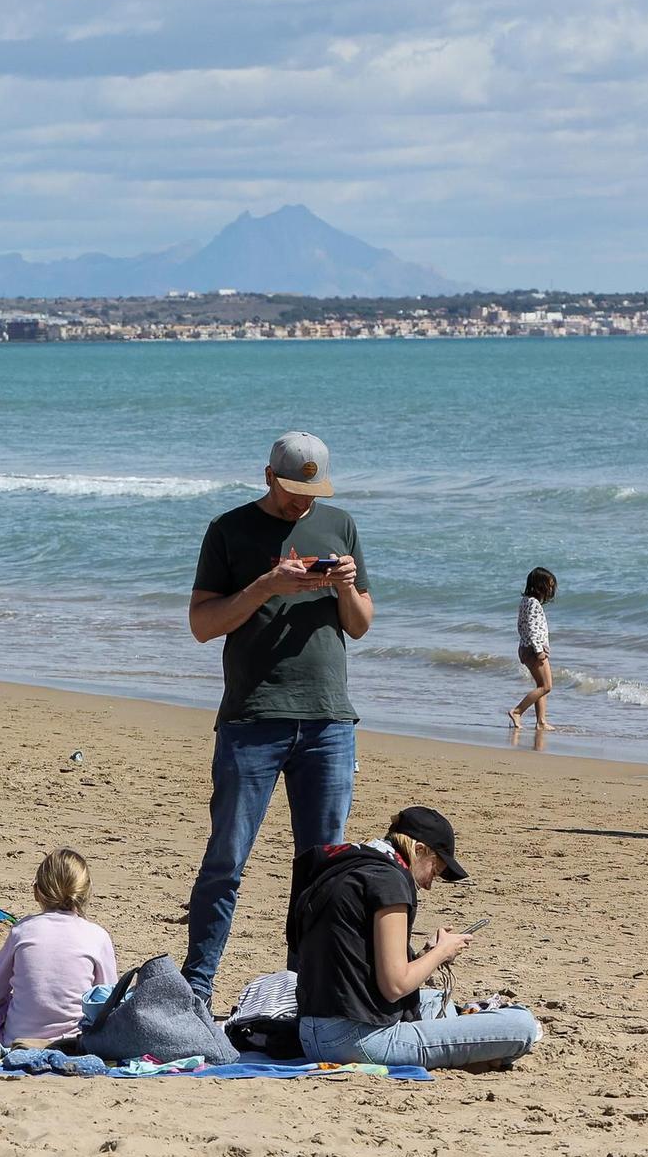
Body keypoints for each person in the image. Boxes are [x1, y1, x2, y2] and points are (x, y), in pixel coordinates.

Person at [183, 431, 373, 1002]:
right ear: (268, 476)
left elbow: (361, 623)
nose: (302, 503)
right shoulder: (228, 530)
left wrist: (343, 586)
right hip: (252, 719)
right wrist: (267, 584)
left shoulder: (339, 525)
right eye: (293, 490)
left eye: (311, 491)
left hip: (329, 722)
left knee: (321, 871)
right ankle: (197, 989)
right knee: (227, 861)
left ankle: (302, 989)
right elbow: (202, 624)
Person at [292, 806, 540, 1070]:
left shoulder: (349, 866)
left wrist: (423, 956)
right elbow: (395, 986)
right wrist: (442, 952)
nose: (431, 883)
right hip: (356, 1040)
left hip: (310, 1031)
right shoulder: (389, 881)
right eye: (435, 869)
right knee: (521, 1025)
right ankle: (474, 1051)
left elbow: (354, 962)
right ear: (418, 850)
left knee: (433, 1000)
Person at [0, 850, 118, 1047]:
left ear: (36, 891)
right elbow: (107, 1004)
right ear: (86, 892)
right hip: (75, 1043)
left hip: (17, 1040)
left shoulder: (23, 931)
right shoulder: (97, 936)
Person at [509, 567, 557, 733]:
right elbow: (532, 628)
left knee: (541, 685)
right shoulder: (534, 604)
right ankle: (517, 711)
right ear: (540, 586)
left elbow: (521, 627)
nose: (551, 589)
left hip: (525, 647)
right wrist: (538, 651)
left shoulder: (525, 602)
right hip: (533, 649)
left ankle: (541, 721)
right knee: (547, 686)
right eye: (549, 586)